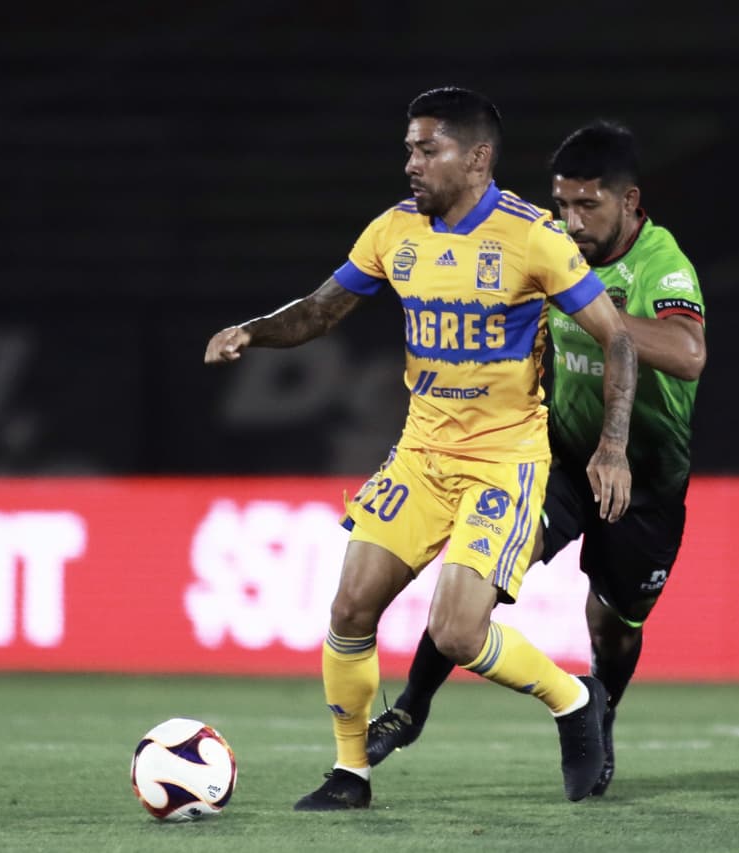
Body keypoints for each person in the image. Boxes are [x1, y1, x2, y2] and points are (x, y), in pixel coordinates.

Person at [205, 89, 639, 810]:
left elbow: (617, 338)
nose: (411, 162)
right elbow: (320, 310)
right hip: (421, 455)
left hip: (503, 460)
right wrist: (253, 331)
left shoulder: (532, 237)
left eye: (427, 149)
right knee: (350, 608)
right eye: (409, 148)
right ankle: (350, 773)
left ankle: (573, 697)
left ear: (476, 158)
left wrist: (613, 446)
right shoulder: (393, 231)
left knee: (459, 633)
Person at [365, 121, 706, 798]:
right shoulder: (547, 245)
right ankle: (410, 705)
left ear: (629, 201)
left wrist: (587, 308)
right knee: (478, 570)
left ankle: (599, 711)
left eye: (589, 206)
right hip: (556, 458)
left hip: (645, 480)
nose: (572, 222)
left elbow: (689, 353)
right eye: (563, 204)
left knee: (613, 625)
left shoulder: (660, 263)